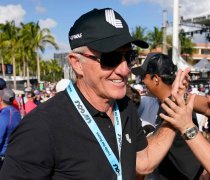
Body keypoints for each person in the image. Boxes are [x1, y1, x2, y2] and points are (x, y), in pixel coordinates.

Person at [0, 8, 179, 179]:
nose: (124, 70)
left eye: (129, 57)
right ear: (77, 64)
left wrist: (176, 110)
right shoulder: (40, 127)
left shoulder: (125, 107)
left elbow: (143, 162)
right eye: (111, 58)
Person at [132, 53, 203, 180]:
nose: (142, 81)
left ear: (156, 79)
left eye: (144, 76)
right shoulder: (158, 102)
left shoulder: (179, 105)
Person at [0, 88, 21, 169]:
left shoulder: (3, 116)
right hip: (12, 156)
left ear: (1, 99)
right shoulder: (17, 113)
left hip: (3, 159)